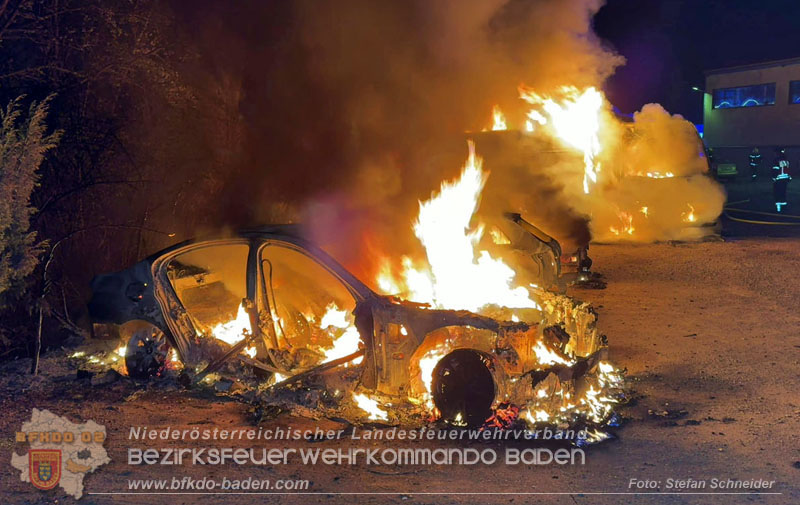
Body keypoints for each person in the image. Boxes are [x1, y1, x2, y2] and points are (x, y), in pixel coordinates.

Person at [772, 148, 790, 212]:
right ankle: (784, 206)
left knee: (777, 193)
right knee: (783, 192)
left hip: (778, 179)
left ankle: (778, 208)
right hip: (784, 179)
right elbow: (788, 171)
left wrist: (774, 178)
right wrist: (789, 177)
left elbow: (775, 170)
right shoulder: (786, 161)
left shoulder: (776, 161)